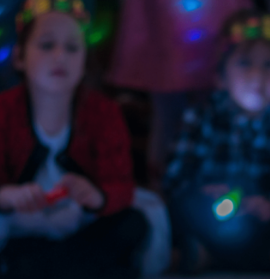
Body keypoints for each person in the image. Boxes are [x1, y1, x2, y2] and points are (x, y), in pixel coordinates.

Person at [0, 0, 150, 279]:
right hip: (17, 221)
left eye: (71, 48)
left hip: (78, 222)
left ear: (84, 60)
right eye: (46, 46)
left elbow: (121, 184)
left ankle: (20, 267)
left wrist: (95, 196)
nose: (59, 58)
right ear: (19, 57)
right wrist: (7, 196)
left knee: (133, 224)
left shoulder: (104, 113)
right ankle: (69, 267)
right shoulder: (0, 109)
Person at [164, 10, 270, 275]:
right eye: (244, 63)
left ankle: (209, 257)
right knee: (181, 209)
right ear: (221, 77)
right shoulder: (201, 115)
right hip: (213, 212)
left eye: (269, 65)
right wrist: (206, 193)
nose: (257, 75)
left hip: (262, 213)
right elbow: (176, 176)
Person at [106, 0, 252, 186]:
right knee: (168, 108)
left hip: (211, 15)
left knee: (216, 103)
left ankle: (210, 184)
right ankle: (164, 189)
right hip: (166, 17)